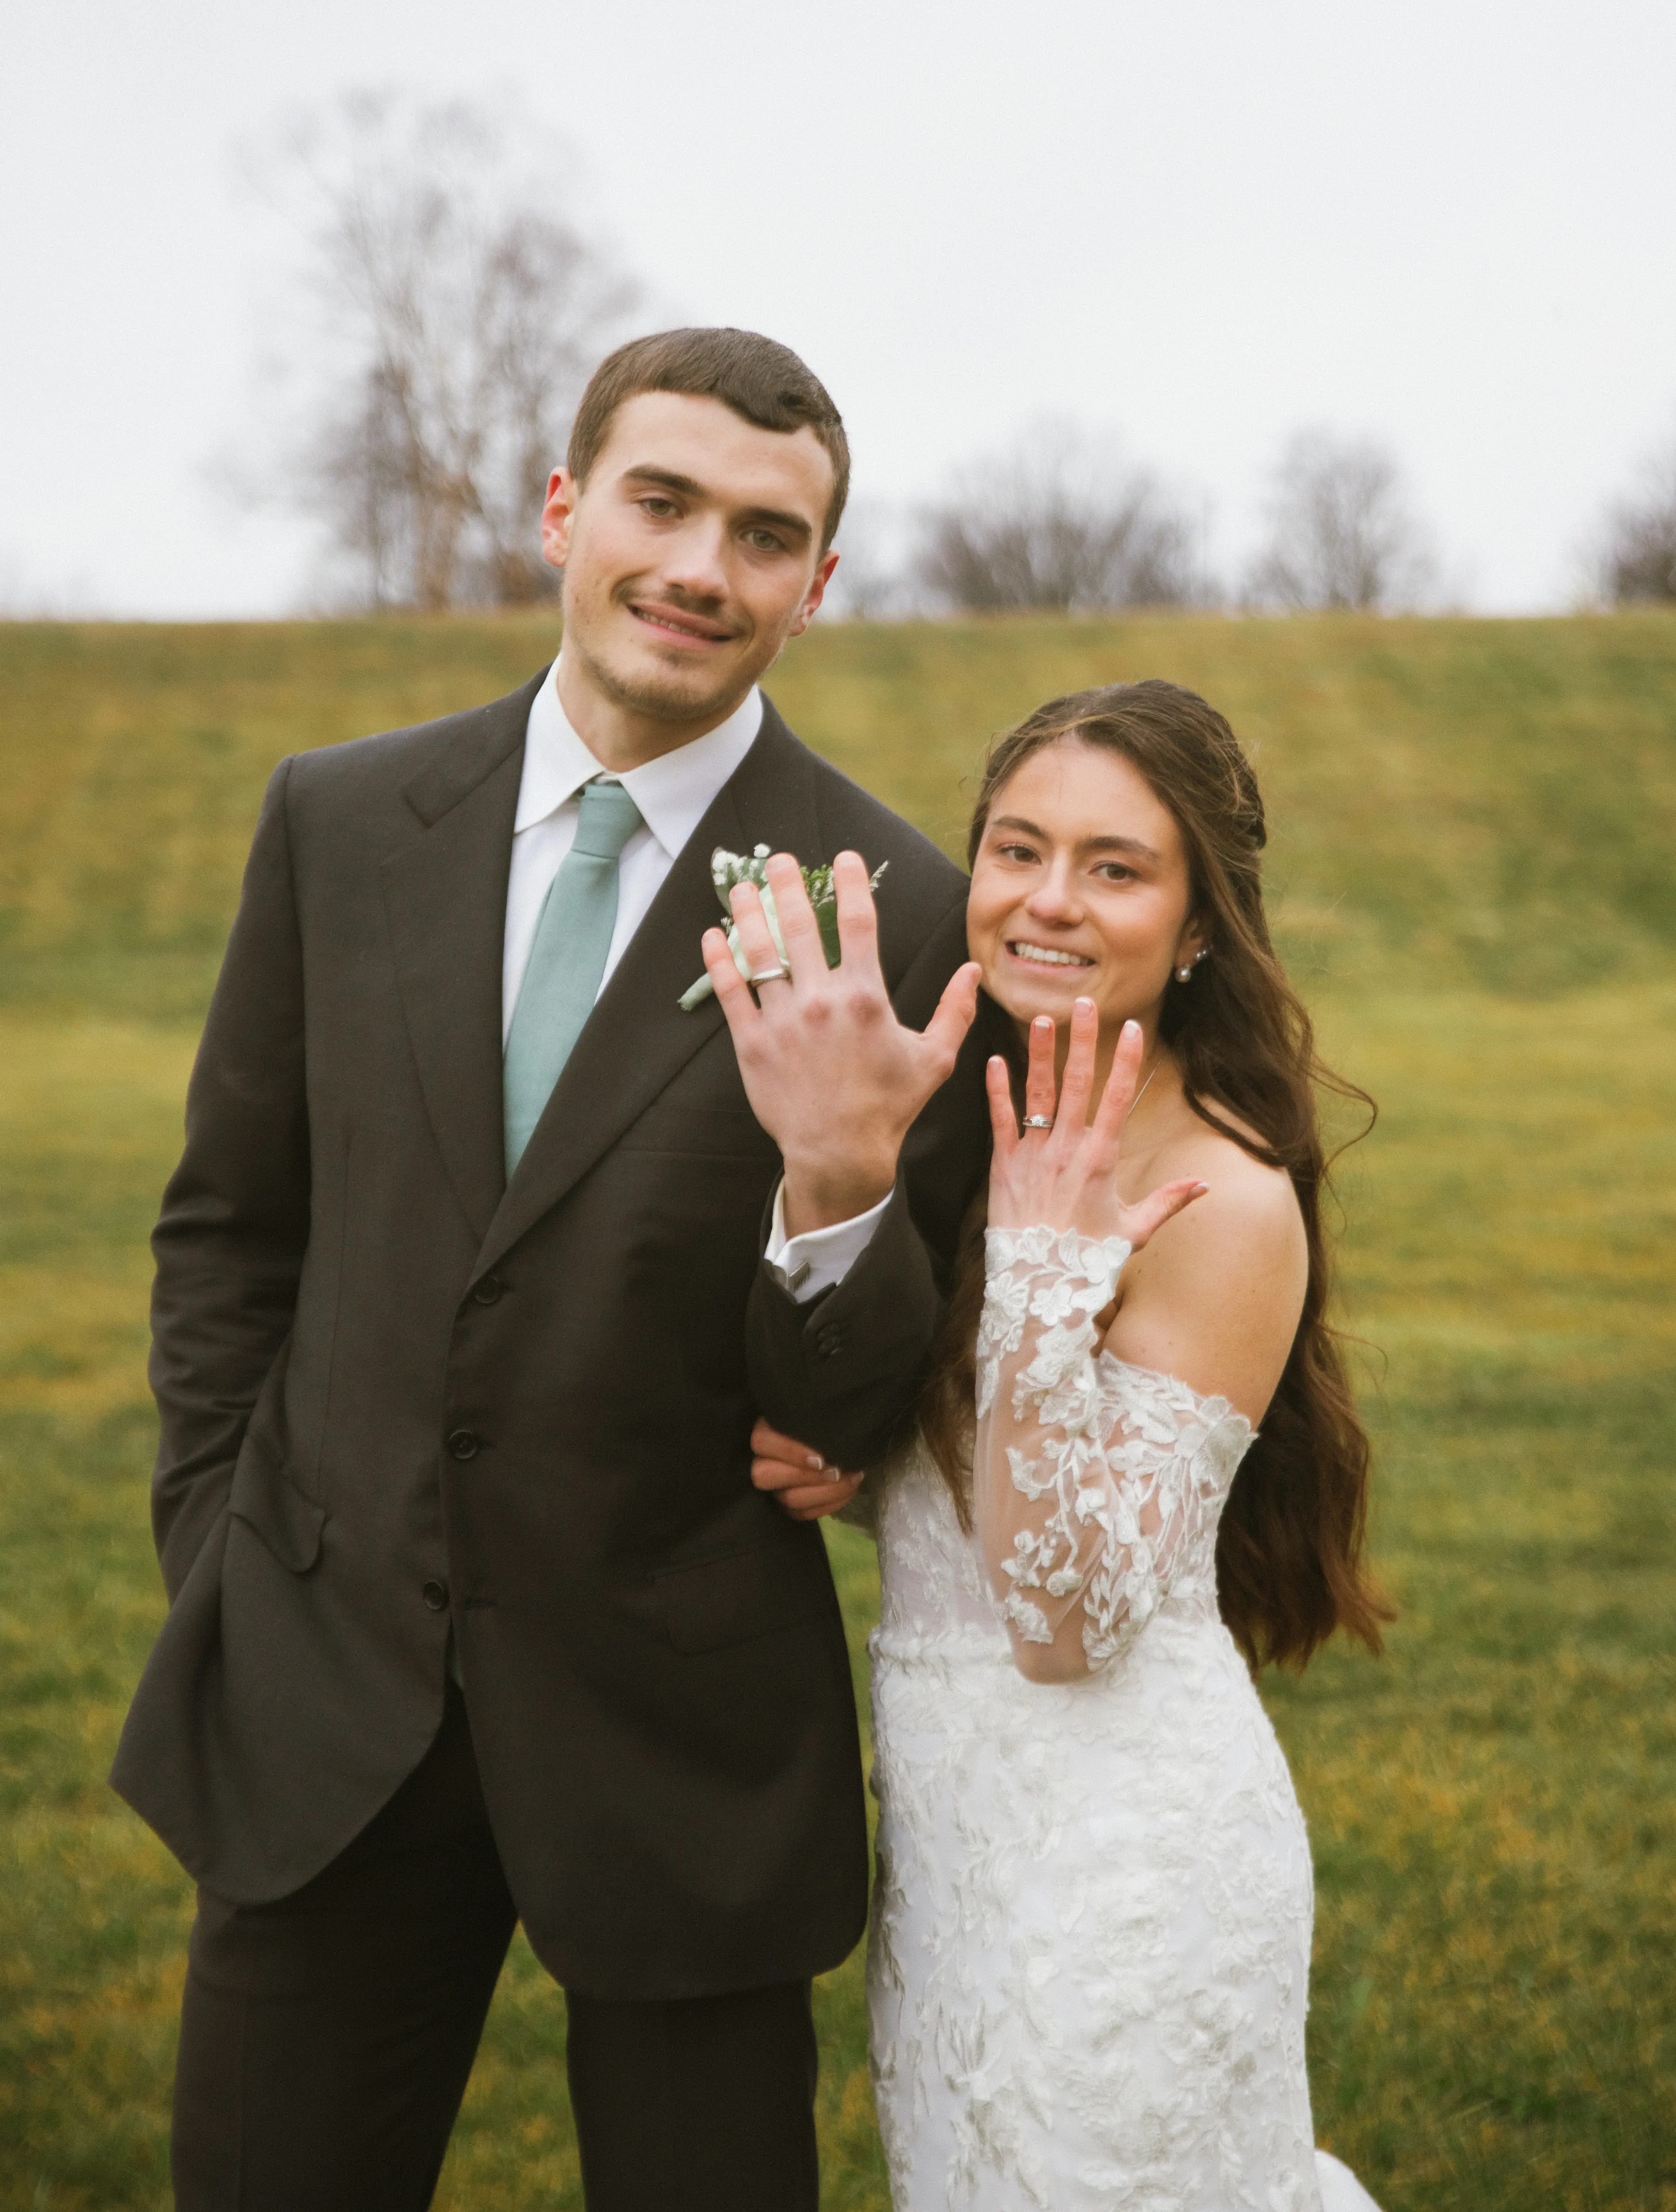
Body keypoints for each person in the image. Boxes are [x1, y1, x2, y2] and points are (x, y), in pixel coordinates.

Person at [110, 327, 998, 2212]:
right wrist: (224, 1549)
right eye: (662, 504)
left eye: (766, 537)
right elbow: (230, 1234)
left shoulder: (891, 906)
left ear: (817, 588)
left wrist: (841, 1180)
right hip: (325, 1697)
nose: (700, 567)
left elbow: (851, 1412)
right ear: (563, 509)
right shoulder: (337, 821)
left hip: (681, 1747)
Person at [711, 679, 1391, 2210]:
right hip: (959, 1857)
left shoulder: (1225, 1192)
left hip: (1123, 1862)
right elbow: (1000, 1481)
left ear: (1200, 923)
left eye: (1115, 865)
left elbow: (1068, 1614)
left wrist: (1034, 1266)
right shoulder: (984, 1111)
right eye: (1017, 849)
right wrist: (871, 1461)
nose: (1048, 900)